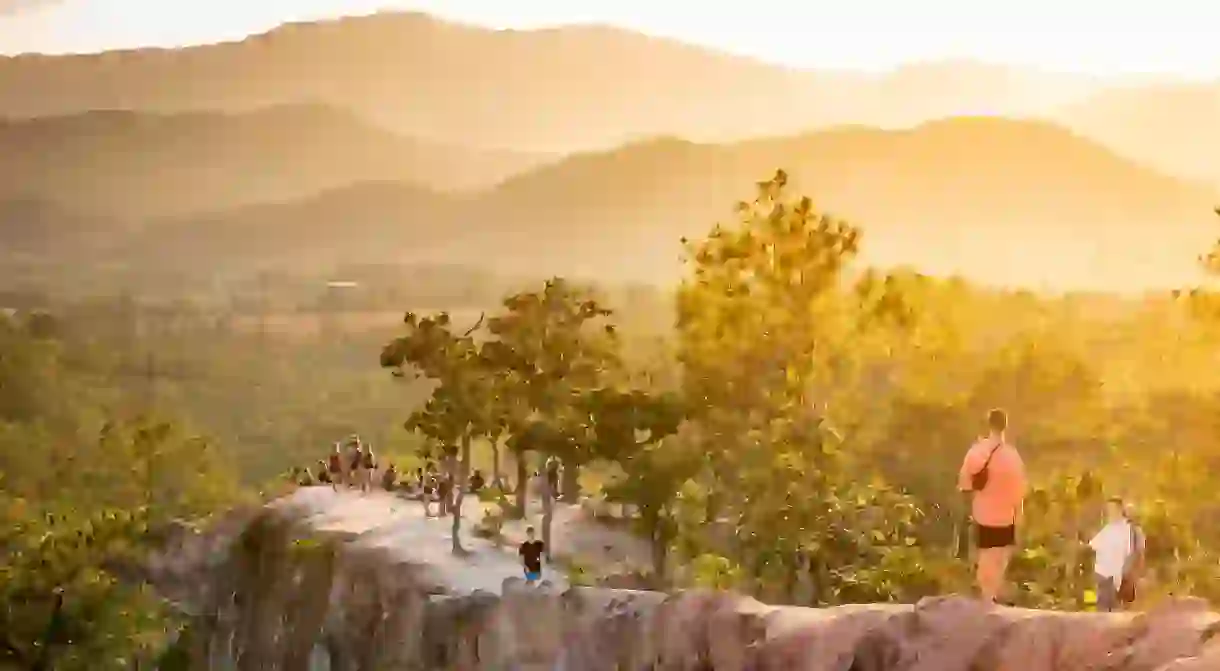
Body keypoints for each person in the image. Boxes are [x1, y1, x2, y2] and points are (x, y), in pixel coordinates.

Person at [958, 408, 1027, 604]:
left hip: (982, 514)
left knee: (985, 557)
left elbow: (964, 483)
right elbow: (1019, 490)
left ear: (988, 424)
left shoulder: (977, 451)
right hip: (1006, 516)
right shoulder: (1013, 456)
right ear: (1006, 426)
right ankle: (991, 597)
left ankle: (986, 597)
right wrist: (1019, 515)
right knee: (1000, 559)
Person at [1089, 497, 1144, 611]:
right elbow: (1092, 547)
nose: (1110, 512)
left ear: (1120, 510)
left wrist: (1125, 575)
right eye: (1108, 509)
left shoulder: (1128, 530)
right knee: (1101, 611)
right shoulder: (1107, 528)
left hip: (1117, 578)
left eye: (1112, 509)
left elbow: (1131, 553)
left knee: (1116, 613)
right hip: (1102, 575)